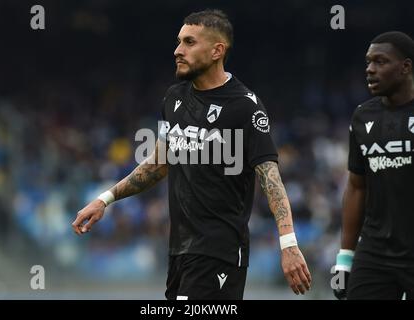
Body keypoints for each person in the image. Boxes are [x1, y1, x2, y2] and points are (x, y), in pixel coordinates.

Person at [72, 9, 311, 300]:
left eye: (188, 42)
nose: (177, 51)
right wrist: (105, 199)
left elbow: (270, 179)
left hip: (219, 251)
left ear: (216, 51)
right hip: (180, 252)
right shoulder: (174, 98)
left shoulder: (245, 106)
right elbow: (159, 164)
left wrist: (288, 245)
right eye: (178, 42)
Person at [333, 31, 414, 300]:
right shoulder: (362, 116)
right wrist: (345, 259)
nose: (370, 69)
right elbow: (356, 187)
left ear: (405, 67)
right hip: (376, 252)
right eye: (368, 62)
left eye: (380, 62)